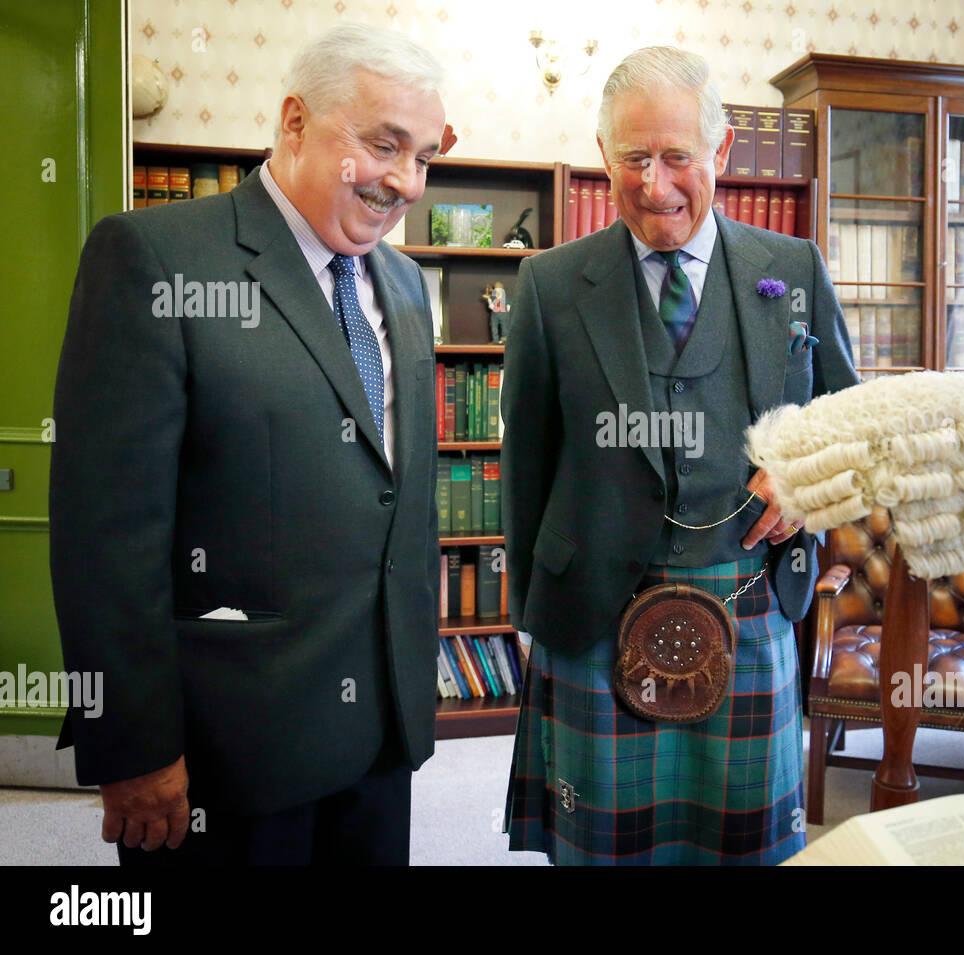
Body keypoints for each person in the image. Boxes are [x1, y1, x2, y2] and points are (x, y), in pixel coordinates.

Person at [48, 24, 449, 865]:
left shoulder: (407, 284)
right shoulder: (153, 258)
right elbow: (104, 538)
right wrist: (134, 747)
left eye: (423, 156)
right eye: (384, 145)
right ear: (295, 122)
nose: (405, 181)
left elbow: (392, 496)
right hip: (229, 755)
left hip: (382, 734)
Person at [501, 46, 858, 865]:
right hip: (589, 611)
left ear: (722, 150)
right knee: (601, 850)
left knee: (741, 847)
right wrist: (531, 613)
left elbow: (847, 420)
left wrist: (810, 476)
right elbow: (526, 461)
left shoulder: (793, 268)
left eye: (677, 157)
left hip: (748, 599)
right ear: (604, 156)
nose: (655, 184)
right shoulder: (550, 284)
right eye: (634, 158)